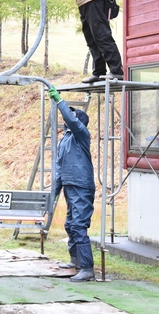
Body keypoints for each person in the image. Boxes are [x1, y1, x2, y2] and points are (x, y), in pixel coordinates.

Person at [48, 84, 96, 282]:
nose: (68, 118)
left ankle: (87, 268)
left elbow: (71, 121)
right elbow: (59, 167)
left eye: (73, 115)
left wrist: (59, 101)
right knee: (70, 224)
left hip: (81, 185)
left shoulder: (81, 134)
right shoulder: (65, 139)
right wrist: (54, 193)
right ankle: (75, 260)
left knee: (78, 225)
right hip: (69, 185)